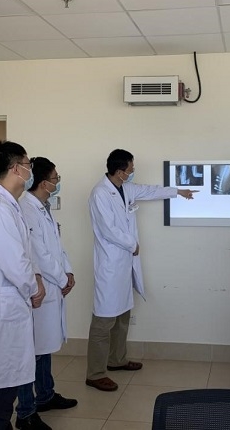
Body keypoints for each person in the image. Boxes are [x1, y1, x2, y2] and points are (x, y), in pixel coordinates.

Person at [86, 149, 197, 392]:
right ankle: (95, 373)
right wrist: (132, 244)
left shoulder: (125, 188)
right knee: (104, 320)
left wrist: (178, 192)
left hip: (124, 263)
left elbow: (150, 190)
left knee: (122, 316)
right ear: (119, 171)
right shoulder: (100, 194)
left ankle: (117, 360)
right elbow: (108, 229)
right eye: (130, 169)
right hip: (110, 265)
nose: (133, 172)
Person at [0, 141, 47, 430]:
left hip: (11, 308)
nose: (30, 169)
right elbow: (14, 262)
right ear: (16, 168)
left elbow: (25, 253)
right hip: (0, 314)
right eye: (28, 163)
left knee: (5, 389)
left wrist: (36, 278)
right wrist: (35, 287)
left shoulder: (10, 205)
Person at [15, 157, 78, 428]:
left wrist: (68, 272)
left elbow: (57, 246)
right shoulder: (26, 209)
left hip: (54, 284)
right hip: (41, 287)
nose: (58, 182)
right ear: (43, 183)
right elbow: (39, 253)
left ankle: (45, 395)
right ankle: (25, 410)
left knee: (44, 348)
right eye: (55, 178)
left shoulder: (43, 207)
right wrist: (62, 278)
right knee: (33, 351)